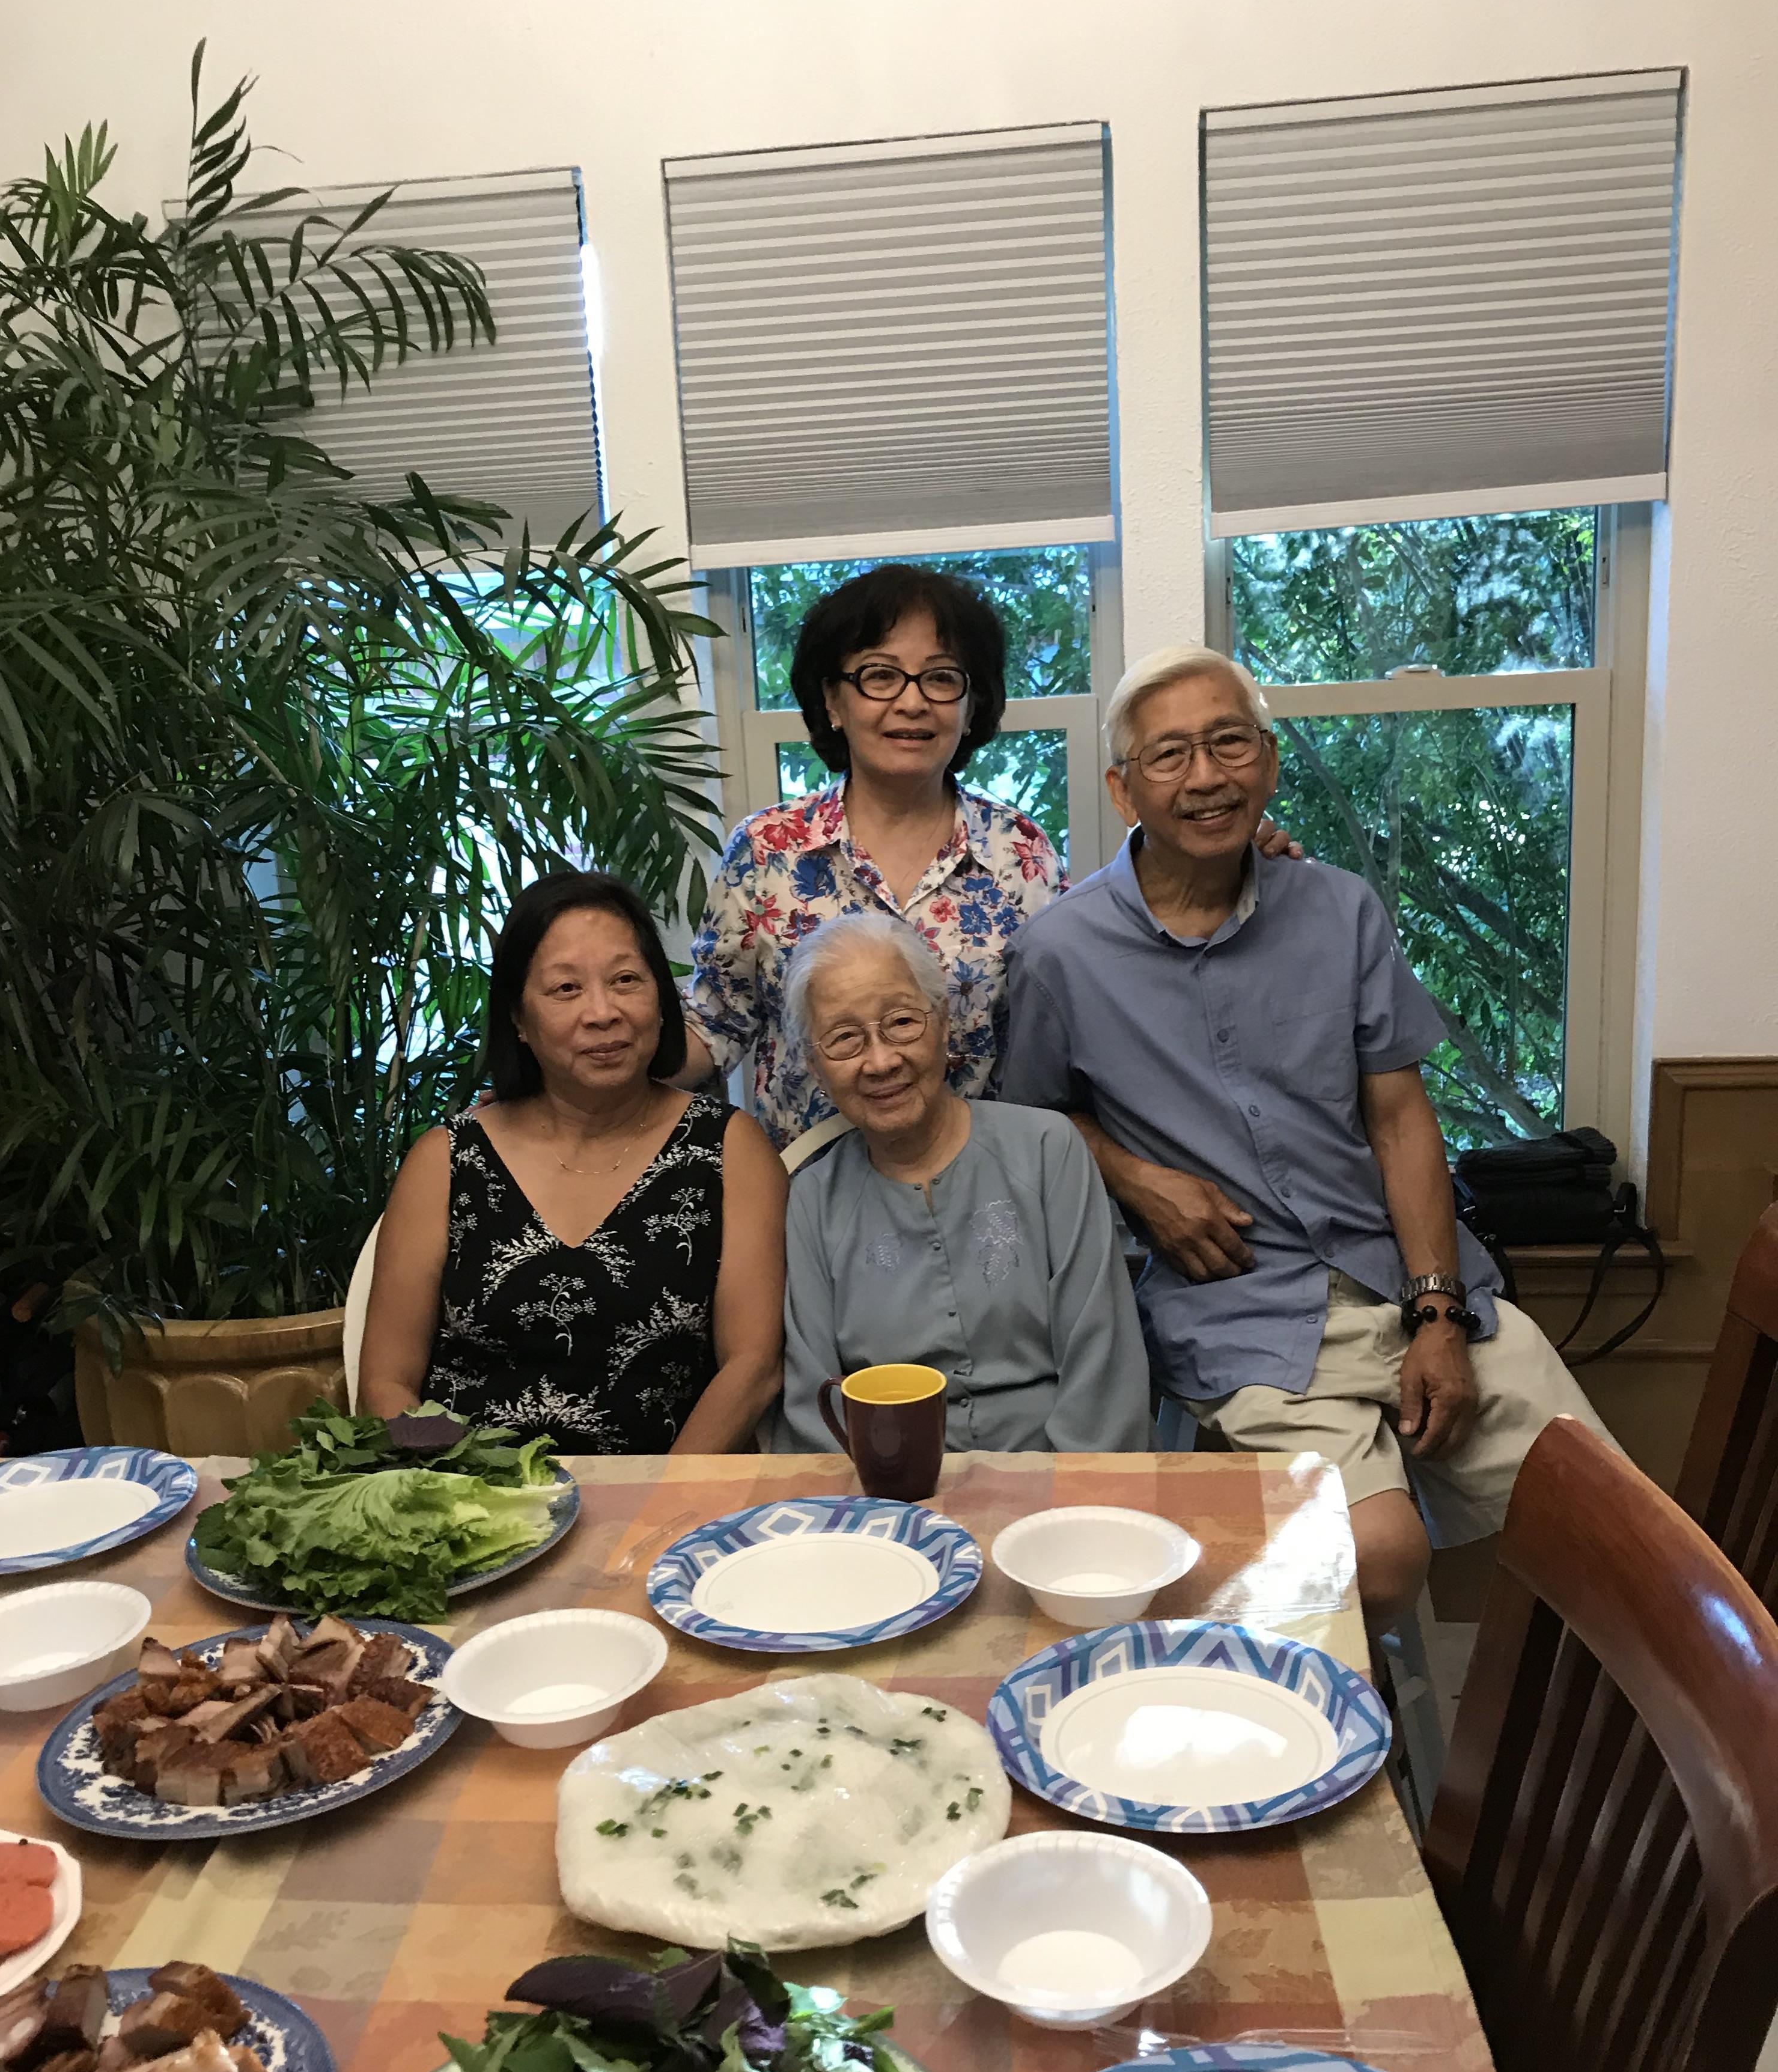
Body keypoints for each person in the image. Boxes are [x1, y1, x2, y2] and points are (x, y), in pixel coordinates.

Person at [1000, 643, 1618, 1629]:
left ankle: (1548, 1725)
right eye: (1169, 755)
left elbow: (1399, 1116)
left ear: (1270, 761)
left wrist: (1436, 1312)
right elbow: (1032, 1119)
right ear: (1123, 791)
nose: (1204, 775)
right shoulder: (1060, 954)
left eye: (1228, 743)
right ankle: (1347, 1709)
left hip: (1399, 1271)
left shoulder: (1339, 910)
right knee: (1379, 1554)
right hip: (1237, 1304)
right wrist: (1134, 1177)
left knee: (1610, 1528)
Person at [679, 562, 1302, 1153]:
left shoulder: (1020, 852)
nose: (913, 702)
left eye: (941, 678)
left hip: (988, 1194)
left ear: (972, 704)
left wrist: (1224, 861)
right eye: (880, 676)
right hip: (811, 1199)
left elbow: (1089, 1010)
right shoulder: (768, 850)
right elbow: (715, 1026)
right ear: (833, 703)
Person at [359, 870, 787, 1452]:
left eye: (626, 980)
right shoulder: (447, 1160)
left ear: (663, 1000)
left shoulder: (730, 1149)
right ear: (518, 1019)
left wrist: (658, 1496)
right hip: (466, 1490)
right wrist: (463, 1490)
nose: (602, 1012)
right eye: (566, 989)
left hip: (669, 1488)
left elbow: (753, 1367)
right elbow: (385, 1384)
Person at [775, 913, 1151, 1454]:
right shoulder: (813, 1201)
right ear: (815, 1066)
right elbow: (817, 1409)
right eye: (845, 1039)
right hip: (891, 1489)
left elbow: (1103, 1367)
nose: (880, 1061)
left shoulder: (1047, 1150)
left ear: (944, 1023)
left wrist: (1066, 1493)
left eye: (902, 1022)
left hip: (1060, 1480)